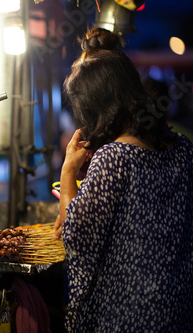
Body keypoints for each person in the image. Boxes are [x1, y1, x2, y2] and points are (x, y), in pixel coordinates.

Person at [53, 27, 193, 332]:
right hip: (179, 310)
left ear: (95, 107)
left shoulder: (114, 158)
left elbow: (74, 234)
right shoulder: (183, 148)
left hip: (127, 317)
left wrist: (67, 171)